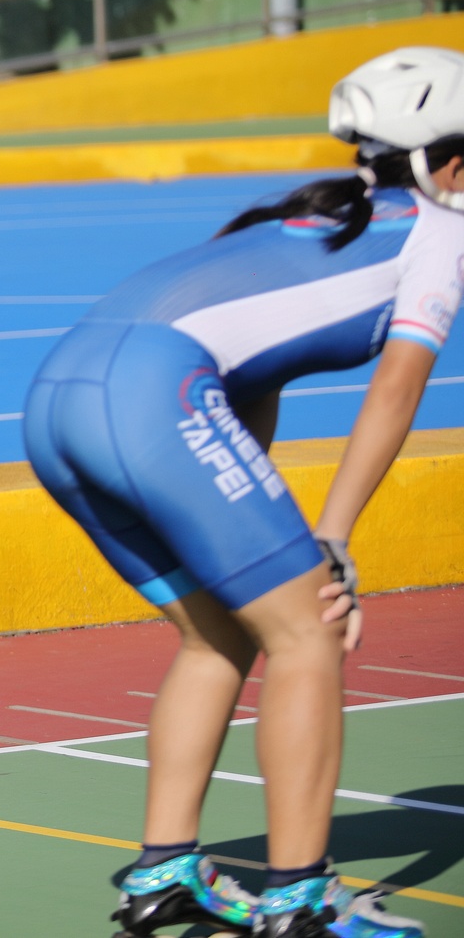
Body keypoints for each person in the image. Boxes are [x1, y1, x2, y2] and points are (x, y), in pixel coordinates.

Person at [23, 47, 460, 938]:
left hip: (59, 398)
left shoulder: (310, 214)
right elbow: (396, 390)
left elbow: (249, 375)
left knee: (219, 631)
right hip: (150, 394)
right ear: (450, 163)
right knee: (311, 629)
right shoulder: (442, 234)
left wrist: (243, 532)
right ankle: (300, 900)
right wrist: (330, 539)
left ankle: (165, 871)